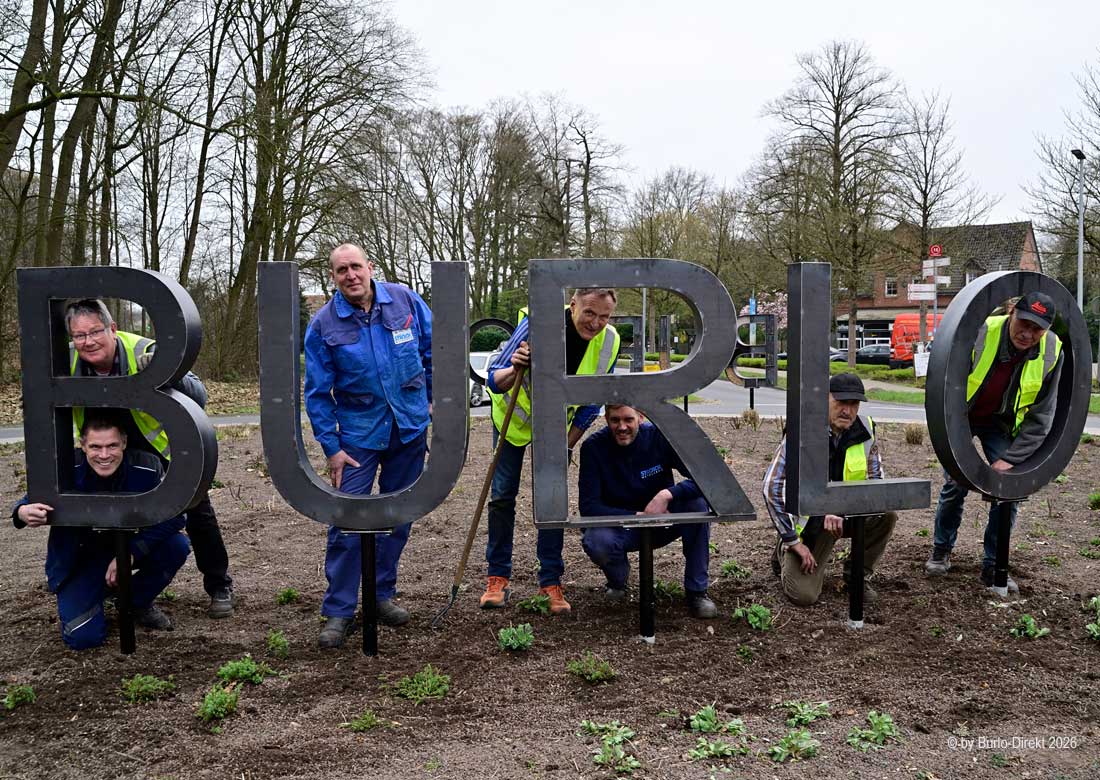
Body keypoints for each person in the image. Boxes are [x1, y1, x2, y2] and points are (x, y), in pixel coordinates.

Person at [65, 298, 235, 618]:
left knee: (197, 511)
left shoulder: (144, 351)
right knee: (108, 516)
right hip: (107, 448)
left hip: (161, 445)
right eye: (79, 335)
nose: (87, 342)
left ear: (112, 328)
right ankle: (111, 588)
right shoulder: (65, 360)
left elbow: (199, 395)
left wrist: (167, 374)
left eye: (95, 332)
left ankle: (219, 584)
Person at [304, 243, 432, 648]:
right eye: (341, 270)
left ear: (370, 267)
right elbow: (317, 393)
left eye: (356, 266)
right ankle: (339, 611)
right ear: (333, 278)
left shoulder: (405, 301)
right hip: (357, 438)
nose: (350, 275)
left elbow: (436, 351)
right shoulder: (324, 325)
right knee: (346, 522)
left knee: (398, 517)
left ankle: (380, 596)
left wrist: (432, 398)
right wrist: (331, 447)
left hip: (408, 428)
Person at [479, 289, 621, 615]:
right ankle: (497, 577)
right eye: (589, 313)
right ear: (573, 305)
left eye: (604, 316)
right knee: (501, 497)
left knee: (552, 500)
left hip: (556, 428)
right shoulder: (537, 322)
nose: (596, 323)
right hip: (512, 423)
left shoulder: (609, 342)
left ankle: (550, 581)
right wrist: (516, 368)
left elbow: (590, 403)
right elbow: (493, 379)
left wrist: (567, 442)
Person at [12, 413, 190, 650]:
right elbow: (25, 504)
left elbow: (176, 516)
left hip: (125, 550)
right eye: (95, 447)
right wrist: (23, 511)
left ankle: (135, 601)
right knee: (83, 639)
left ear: (124, 443)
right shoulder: (65, 468)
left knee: (176, 546)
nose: (104, 455)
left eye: (112, 446)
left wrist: (131, 553)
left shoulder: (146, 467)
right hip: (80, 561)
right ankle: (93, 594)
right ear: (83, 446)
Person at [925, 292, 1064, 593]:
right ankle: (941, 549)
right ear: (1012, 311)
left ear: (1047, 329)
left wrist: (1011, 459)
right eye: (1023, 322)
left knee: (1009, 490)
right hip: (961, 416)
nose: (1027, 333)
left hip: (1000, 423)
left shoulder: (1052, 352)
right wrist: (955, 441)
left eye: (1037, 328)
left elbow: (1043, 416)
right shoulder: (980, 331)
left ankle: (993, 565)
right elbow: (945, 385)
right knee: (955, 483)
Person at [762, 373, 897, 606]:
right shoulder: (802, 430)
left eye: (853, 404)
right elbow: (771, 487)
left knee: (886, 514)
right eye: (841, 403)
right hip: (810, 525)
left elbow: (876, 485)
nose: (848, 411)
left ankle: (856, 576)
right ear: (825, 399)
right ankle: (783, 549)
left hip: (845, 517)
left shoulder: (866, 429)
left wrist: (841, 509)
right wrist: (794, 541)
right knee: (803, 596)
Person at [577, 404, 717, 618]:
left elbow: (706, 479)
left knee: (697, 505)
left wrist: (666, 495)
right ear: (606, 419)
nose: (621, 427)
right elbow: (589, 507)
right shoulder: (593, 447)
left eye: (628, 420)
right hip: (622, 526)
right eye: (615, 420)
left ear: (641, 417)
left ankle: (697, 592)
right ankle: (618, 581)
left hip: (664, 520)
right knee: (597, 541)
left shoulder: (659, 437)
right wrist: (636, 517)